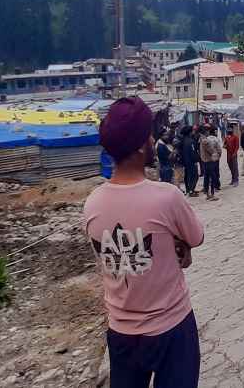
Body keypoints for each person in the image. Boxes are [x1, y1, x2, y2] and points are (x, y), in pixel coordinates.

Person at [84, 97, 204, 388]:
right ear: (141, 146)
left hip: (121, 334)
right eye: (148, 134)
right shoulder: (166, 196)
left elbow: (107, 259)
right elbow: (196, 237)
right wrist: (180, 245)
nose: (152, 139)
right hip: (172, 328)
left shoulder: (92, 205)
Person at [199, 125, 222, 201]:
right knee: (212, 177)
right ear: (206, 131)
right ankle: (211, 194)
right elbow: (211, 150)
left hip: (205, 161)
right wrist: (216, 153)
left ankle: (208, 193)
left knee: (207, 177)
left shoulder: (202, 139)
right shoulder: (205, 140)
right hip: (209, 161)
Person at [180, 126, 200, 198]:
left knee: (188, 176)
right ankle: (191, 190)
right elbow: (193, 152)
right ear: (189, 132)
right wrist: (196, 159)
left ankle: (189, 189)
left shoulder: (183, 140)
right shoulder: (190, 141)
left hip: (185, 161)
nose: (193, 132)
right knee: (194, 176)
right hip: (191, 161)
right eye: (192, 131)